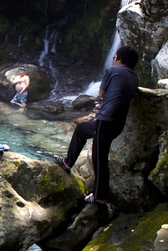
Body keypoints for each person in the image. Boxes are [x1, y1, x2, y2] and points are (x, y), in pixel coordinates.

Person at [55, 45, 141, 205]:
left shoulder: (112, 71)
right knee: (81, 129)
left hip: (106, 120)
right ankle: (68, 162)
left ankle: (100, 196)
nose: (113, 59)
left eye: (115, 57)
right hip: (117, 123)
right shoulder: (135, 78)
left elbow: (100, 94)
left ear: (119, 59)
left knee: (99, 157)